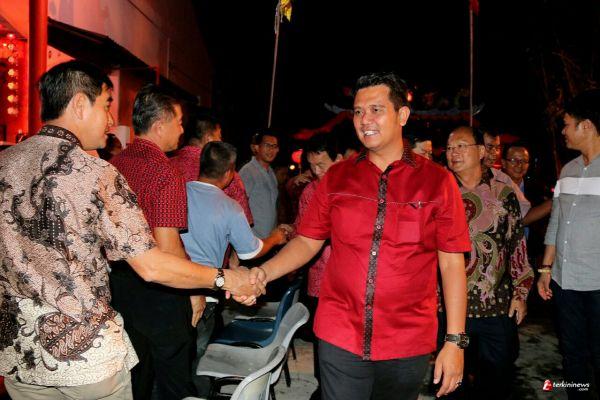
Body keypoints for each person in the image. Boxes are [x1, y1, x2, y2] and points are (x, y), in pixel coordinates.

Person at [0, 61, 262, 400]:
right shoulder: (94, 171)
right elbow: (152, 265)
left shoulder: (5, 163)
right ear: (79, 104)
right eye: (106, 105)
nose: (111, 120)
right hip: (84, 356)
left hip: (20, 352)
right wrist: (225, 279)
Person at [251, 72, 472, 400]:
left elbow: (452, 264)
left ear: (402, 115)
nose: (364, 119)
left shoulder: (438, 182)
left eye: (375, 110)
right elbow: (307, 241)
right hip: (340, 333)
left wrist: (455, 342)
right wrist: (262, 273)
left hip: (407, 339)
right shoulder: (337, 178)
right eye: (357, 111)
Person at [108, 84, 243, 400]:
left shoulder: (113, 164)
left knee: (135, 374)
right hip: (160, 288)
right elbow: (168, 246)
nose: (183, 130)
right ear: (160, 125)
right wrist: (195, 291)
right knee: (174, 377)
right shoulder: (165, 173)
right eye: (179, 122)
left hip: (119, 284)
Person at [180, 141, 288, 382]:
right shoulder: (230, 207)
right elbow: (251, 252)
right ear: (229, 173)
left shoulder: (178, 192)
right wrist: (275, 238)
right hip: (206, 291)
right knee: (199, 361)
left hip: (173, 285)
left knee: (175, 360)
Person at [445, 126, 534, 399]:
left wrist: (521, 292)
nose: (453, 152)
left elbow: (516, 245)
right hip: (452, 311)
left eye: (461, 146)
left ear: (481, 151)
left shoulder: (503, 193)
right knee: (453, 384)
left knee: (496, 383)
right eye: (449, 148)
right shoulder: (441, 191)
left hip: (496, 307)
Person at [538, 89, 600, 400]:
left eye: (566, 124)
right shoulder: (568, 170)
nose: (563, 131)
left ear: (586, 126)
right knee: (572, 354)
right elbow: (556, 222)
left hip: (597, 284)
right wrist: (545, 269)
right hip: (566, 283)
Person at [293, 133, 343, 400]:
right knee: (321, 338)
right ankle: (322, 387)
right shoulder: (310, 192)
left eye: (322, 165)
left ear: (339, 159)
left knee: (344, 343)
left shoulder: (354, 190)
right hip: (319, 279)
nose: (317, 172)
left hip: (348, 281)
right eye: (312, 166)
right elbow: (302, 235)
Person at [170, 109, 253, 225]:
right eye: (219, 137)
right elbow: (244, 220)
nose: (221, 141)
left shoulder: (167, 165)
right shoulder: (224, 170)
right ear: (209, 139)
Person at [239, 130, 280, 238]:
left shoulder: (271, 172)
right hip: (252, 238)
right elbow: (238, 205)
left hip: (269, 238)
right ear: (256, 147)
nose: (271, 150)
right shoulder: (247, 171)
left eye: (274, 146)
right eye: (267, 145)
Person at [483, 130, 531, 217]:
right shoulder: (460, 175)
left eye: (497, 148)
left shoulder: (502, 179)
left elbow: (524, 213)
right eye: (489, 147)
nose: (494, 152)